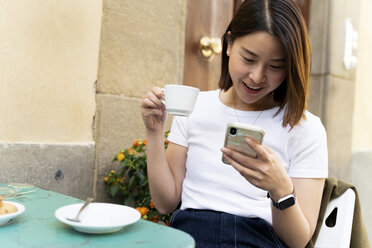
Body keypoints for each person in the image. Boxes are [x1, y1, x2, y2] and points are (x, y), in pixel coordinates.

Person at [141, 0, 328, 247]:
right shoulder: (195, 108)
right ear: (229, 44)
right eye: (249, 59)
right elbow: (165, 202)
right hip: (191, 235)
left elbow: (298, 241)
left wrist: (280, 190)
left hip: (258, 240)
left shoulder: (305, 129)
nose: (257, 76)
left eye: (275, 67)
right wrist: (153, 133)